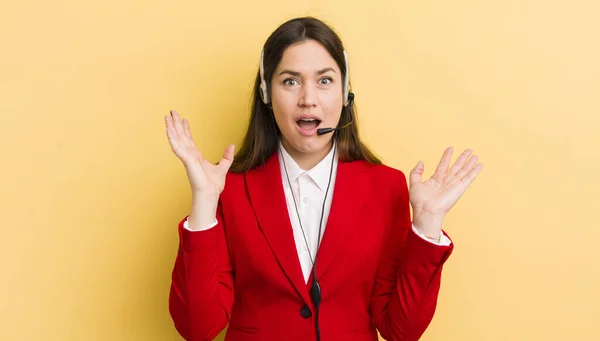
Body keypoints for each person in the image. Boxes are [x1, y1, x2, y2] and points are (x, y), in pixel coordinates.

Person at [164, 16, 482, 341]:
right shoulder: (228, 188)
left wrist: (427, 225)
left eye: (325, 81)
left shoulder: (386, 187)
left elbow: (402, 331)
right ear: (266, 92)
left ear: (345, 93)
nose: (308, 98)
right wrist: (204, 201)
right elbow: (196, 328)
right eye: (290, 81)